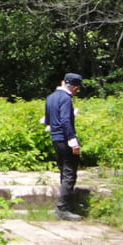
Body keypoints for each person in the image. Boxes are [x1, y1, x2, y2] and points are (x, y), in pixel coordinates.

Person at [44, 73, 84, 220]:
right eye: (77, 89)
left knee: (63, 171)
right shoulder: (66, 99)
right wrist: (73, 140)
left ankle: (66, 203)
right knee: (70, 174)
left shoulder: (51, 97)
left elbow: (47, 120)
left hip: (55, 139)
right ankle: (62, 209)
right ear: (74, 88)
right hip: (65, 139)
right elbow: (66, 120)